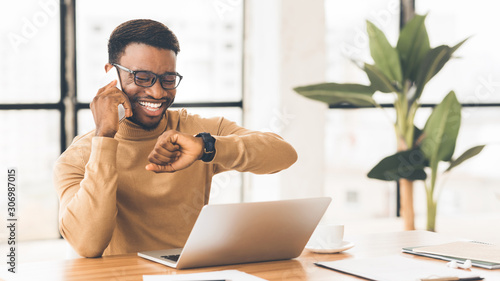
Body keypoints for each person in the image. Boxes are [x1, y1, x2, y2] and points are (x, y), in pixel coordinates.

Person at [53, 19, 297, 258]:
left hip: (196, 276)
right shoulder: (78, 158)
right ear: (111, 75)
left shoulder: (195, 130)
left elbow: (284, 154)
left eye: (168, 79)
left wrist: (206, 147)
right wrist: (104, 137)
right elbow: (87, 244)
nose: (158, 92)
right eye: (142, 77)